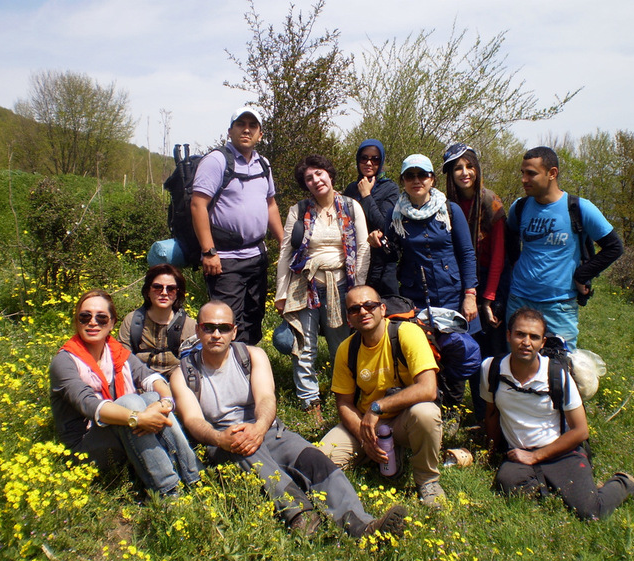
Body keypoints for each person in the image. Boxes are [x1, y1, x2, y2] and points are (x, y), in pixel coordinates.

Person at [170, 301, 407, 538]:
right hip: (225, 442)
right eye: (209, 327)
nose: (216, 334)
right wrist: (219, 437)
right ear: (198, 330)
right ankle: (301, 516)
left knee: (314, 459)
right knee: (244, 448)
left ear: (234, 331)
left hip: (268, 430)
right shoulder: (183, 373)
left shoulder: (251, 356)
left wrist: (260, 428)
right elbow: (193, 421)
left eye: (223, 328)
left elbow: (265, 398)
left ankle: (361, 525)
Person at [481, 307, 634, 520]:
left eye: (534, 337)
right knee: (507, 485)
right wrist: (489, 453)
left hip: (560, 452)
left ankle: (623, 483)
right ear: (508, 336)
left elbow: (581, 431)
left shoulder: (557, 375)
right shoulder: (491, 368)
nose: (526, 342)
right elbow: (491, 414)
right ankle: (563, 488)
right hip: (519, 453)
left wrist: (535, 456)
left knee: (592, 513)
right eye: (520, 334)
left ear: (542, 342)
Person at [49, 290, 202, 496]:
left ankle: (194, 476)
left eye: (101, 318)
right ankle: (167, 490)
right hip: (87, 446)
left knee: (152, 397)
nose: (93, 322)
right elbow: (90, 405)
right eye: (85, 316)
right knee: (130, 402)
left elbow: (153, 379)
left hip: (122, 430)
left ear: (112, 323)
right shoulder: (65, 362)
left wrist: (163, 403)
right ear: (76, 321)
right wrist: (137, 418)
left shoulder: (117, 353)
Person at [318, 285, 445, 508]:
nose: (363, 312)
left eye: (370, 305)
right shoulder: (347, 349)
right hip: (369, 425)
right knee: (322, 459)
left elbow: (428, 389)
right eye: (355, 309)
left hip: (405, 419)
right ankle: (382, 452)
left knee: (426, 413)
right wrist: (364, 436)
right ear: (349, 318)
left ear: (382, 309)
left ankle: (427, 480)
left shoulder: (406, 333)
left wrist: (378, 407)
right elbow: (344, 404)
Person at [370, 153, 479, 411]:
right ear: (403, 180)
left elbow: (466, 253)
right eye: (410, 176)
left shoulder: (450, 210)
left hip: (452, 295)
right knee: (424, 354)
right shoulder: (395, 214)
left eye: (422, 175)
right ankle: (431, 407)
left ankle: (453, 409)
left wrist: (470, 293)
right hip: (416, 297)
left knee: (457, 350)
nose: (416, 180)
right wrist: (378, 243)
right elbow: (392, 255)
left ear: (432, 178)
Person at [275, 155, 370, 417]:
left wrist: (358, 289)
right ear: (305, 184)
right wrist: (280, 293)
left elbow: (362, 248)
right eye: (309, 178)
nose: (316, 180)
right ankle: (309, 401)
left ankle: (345, 396)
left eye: (319, 174)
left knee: (341, 346)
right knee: (305, 345)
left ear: (329, 174)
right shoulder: (298, 210)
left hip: (342, 285)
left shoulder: (351, 207)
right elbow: (285, 252)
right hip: (305, 284)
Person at [506, 146, 623, 351]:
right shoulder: (520, 207)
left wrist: (582, 275)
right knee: (518, 368)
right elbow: (510, 234)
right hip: (519, 300)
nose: (524, 179)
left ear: (552, 173)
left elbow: (614, 247)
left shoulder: (579, 208)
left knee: (561, 369)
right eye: (522, 173)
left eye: (531, 173)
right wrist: (516, 260)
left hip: (559, 305)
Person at [190, 106, 284, 345]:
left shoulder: (263, 164)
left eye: (253, 126)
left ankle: (247, 368)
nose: (246, 129)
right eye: (241, 124)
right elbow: (198, 205)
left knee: (254, 317)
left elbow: (270, 204)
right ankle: (223, 373)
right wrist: (208, 252)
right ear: (230, 131)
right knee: (226, 320)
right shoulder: (217, 161)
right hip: (224, 258)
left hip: (257, 255)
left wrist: (284, 242)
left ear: (260, 134)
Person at [442, 142, 507, 422]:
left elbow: (498, 256)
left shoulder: (491, 203)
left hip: (488, 286)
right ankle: (454, 411)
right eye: (458, 168)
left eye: (469, 166)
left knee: (488, 356)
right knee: (458, 349)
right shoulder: (446, 205)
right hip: (456, 285)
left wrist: (488, 298)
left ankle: (487, 417)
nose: (464, 172)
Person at [118, 264, 196, 378]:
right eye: (157, 287)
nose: (164, 293)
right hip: (140, 384)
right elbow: (122, 360)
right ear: (148, 291)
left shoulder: (189, 325)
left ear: (177, 293)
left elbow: (195, 364)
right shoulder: (132, 321)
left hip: (178, 386)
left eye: (171, 289)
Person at [344, 139, 400, 296]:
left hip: (381, 263)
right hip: (356, 260)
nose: (369, 163)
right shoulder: (351, 189)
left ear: (381, 161)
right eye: (364, 158)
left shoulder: (390, 188)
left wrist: (366, 195)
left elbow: (384, 223)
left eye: (375, 159)